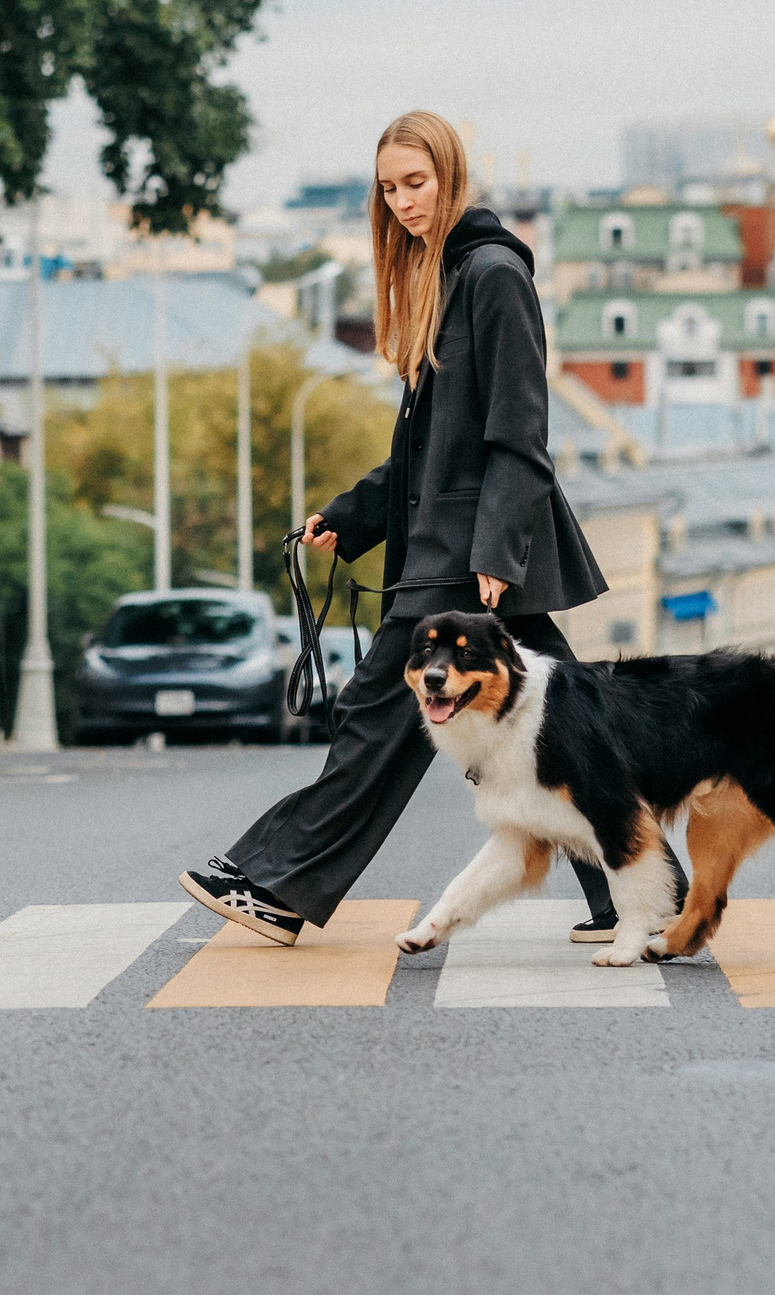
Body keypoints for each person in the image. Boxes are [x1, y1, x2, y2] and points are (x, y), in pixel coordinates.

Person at [181, 110, 683, 945]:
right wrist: (351, 516)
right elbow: (427, 453)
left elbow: (519, 434)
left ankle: (278, 881)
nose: (404, 202)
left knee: (378, 715)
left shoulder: (493, 275)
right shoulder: (441, 275)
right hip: (452, 545)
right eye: (388, 189)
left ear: (451, 176)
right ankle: (651, 897)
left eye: (416, 182)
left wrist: (496, 551)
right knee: (568, 734)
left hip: (470, 554)